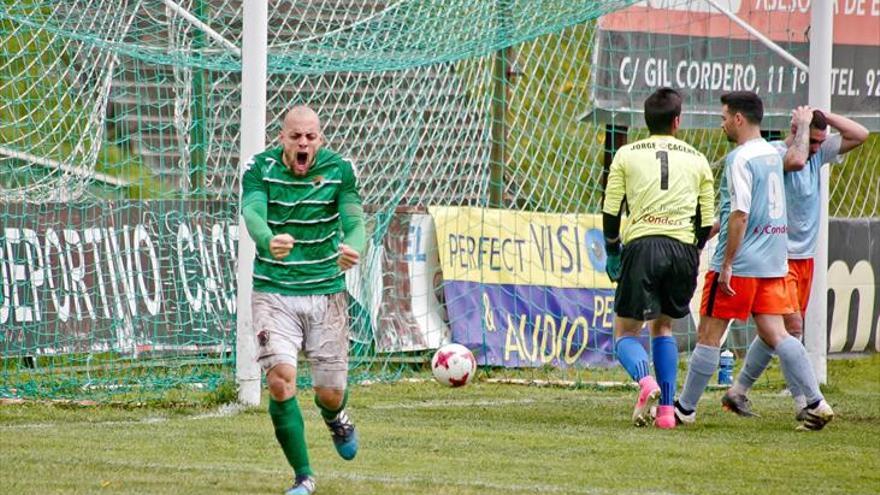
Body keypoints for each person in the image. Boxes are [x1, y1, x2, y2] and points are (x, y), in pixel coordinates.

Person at [674, 91, 833, 431]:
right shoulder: (773, 154)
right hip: (774, 261)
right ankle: (816, 402)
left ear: (739, 119)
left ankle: (685, 409)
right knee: (779, 333)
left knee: (708, 334)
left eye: (724, 117)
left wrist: (727, 262)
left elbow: (740, 214)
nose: (722, 122)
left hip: (742, 263)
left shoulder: (740, 158)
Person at [241, 105, 366, 494]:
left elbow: (355, 221)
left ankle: (335, 415)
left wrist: (354, 248)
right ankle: (304, 477)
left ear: (320, 139)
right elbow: (252, 212)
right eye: (295, 136)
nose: (303, 143)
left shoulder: (340, 169)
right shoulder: (258, 168)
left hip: (326, 292)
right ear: (282, 137)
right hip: (274, 291)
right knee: (281, 381)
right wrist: (266, 239)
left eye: (310, 137)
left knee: (328, 392)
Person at [722, 106, 868, 424]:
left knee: (775, 333)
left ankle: (737, 391)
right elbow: (797, 158)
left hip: (806, 258)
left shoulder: (817, 151)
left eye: (820, 142)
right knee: (794, 328)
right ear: (796, 130)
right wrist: (802, 130)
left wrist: (825, 117)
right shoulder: (777, 154)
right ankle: (806, 404)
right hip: (779, 256)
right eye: (813, 140)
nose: (817, 148)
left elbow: (861, 135)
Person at [602, 87, 715, 429]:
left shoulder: (626, 154)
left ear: (645, 121)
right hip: (682, 248)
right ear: (677, 121)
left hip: (643, 246)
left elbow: (611, 208)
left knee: (624, 332)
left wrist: (612, 249)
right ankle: (667, 413)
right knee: (663, 327)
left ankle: (645, 382)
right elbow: (706, 219)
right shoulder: (697, 158)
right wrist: (691, 251)